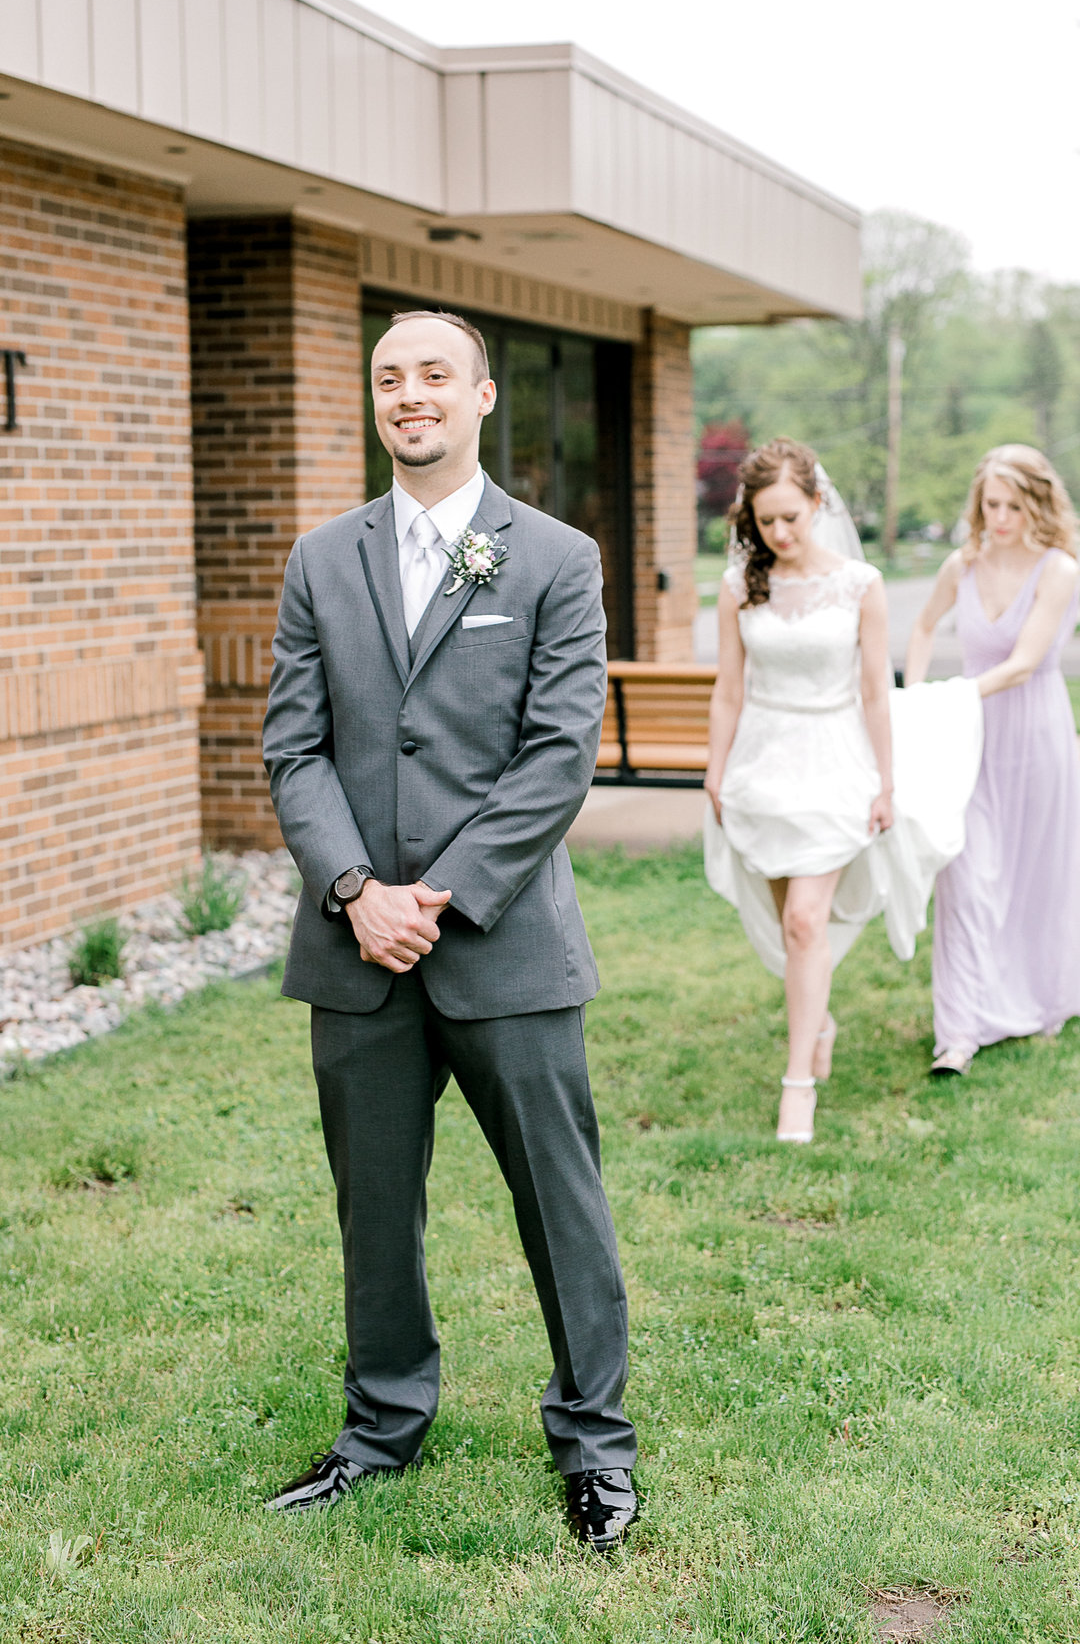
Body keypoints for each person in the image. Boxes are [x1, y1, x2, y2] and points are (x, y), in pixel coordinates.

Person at [259, 308, 640, 1552]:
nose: (408, 393)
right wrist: (357, 891)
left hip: (505, 943)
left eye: (433, 374)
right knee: (374, 1205)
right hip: (354, 947)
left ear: (483, 398)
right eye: (388, 378)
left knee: (558, 1199)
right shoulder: (322, 559)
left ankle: (594, 1443)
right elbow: (295, 748)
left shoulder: (554, 557)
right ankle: (380, 1429)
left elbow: (557, 753)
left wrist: (444, 895)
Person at [701, 438, 981, 1142]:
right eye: (766, 523)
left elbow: (874, 693)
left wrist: (886, 783)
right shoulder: (740, 586)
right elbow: (729, 689)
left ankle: (798, 1084)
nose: (781, 534)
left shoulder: (861, 582)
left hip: (834, 762)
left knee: (804, 920)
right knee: (785, 920)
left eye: (792, 517)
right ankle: (816, 1014)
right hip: (761, 766)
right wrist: (715, 767)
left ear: (818, 504)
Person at [903, 444, 1080, 1075]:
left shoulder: (1058, 570)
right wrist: (914, 696)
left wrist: (948, 694)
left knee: (1033, 874)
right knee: (964, 874)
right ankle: (956, 1034)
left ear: (1037, 504)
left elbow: (1022, 664)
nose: (1002, 517)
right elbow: (925, 626)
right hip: (968, 738)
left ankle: (1039, 1000)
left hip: (1035, 731)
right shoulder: (961, 566)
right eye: (991, 504)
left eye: (1015, 504)